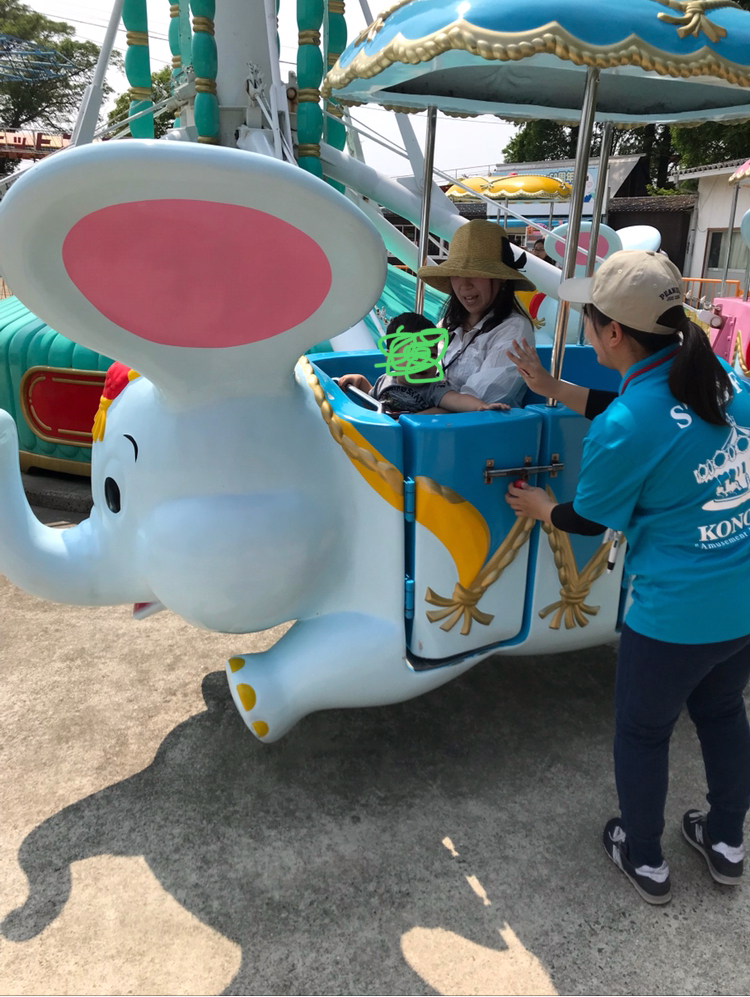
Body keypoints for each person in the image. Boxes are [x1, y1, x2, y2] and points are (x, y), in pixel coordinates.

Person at [505, 250, 750, 906]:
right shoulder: (724, 379)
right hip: (740, 599)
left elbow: (588, 518)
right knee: (724, 711)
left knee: (644, 730)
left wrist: (538, 507)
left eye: (589, 319)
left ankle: (644, 855)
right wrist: (556, 390)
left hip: (675, 614)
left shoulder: (626, 426)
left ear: (613, 333)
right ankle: (727, 842)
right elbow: (651, 411)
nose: (586, 329)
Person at [415, 219, 537, 410]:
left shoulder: (514, 329)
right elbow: (413, 369)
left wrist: (422, 412)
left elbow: (483, 399)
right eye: (456, 274)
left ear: (502, 278)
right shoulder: (447, 324)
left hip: (481, 432)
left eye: (476, 273)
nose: (465, 285)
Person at [337, 312, 510, 415]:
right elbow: (374, 405)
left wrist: (481, 406)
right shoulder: (385, 380)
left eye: (432, 355)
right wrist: (360, 382)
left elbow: (457, 400)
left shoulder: (434, 389)